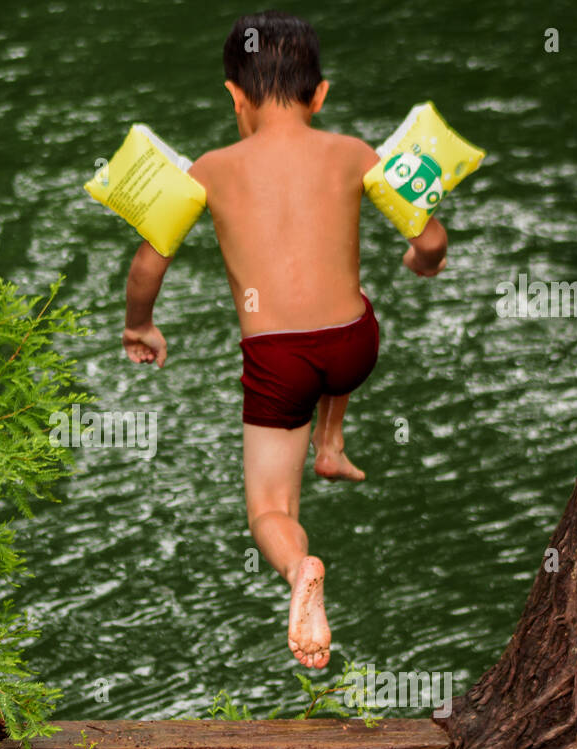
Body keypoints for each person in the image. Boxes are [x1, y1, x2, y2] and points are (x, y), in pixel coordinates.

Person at [121, 10, 448, 669]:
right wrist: (421, 262)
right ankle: (330, 445)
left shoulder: (210, 169)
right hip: (356, 346)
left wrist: (140, 324)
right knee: (349, 320)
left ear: (233, 96)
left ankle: (301, 570)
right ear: (321, 95)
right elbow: (432, 240)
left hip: (280, 363)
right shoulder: (356, 152)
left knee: (271, 507)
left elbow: (147, 265)